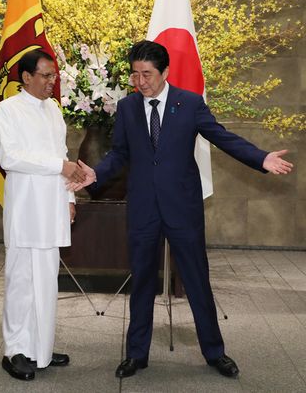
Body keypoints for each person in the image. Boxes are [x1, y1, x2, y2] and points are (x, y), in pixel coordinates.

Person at [68, 40, 293, 379]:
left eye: (147, 74)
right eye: (134, 75)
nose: (140, 82)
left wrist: (260, 158)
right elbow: (120, 153)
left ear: (165, 72)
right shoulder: (128, 107)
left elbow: (221, 136)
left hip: (182, 207)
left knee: (196, 280)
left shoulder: (188, 104)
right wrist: (97, 172)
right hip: (143, 207)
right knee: (141, 280)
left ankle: (215, 352)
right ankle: (136, 354)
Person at [0, 49, 86, 381]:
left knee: (46, 277)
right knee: (20, 280)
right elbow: (11, 157)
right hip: (25, 208)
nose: (51, 82)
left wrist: (69, 196)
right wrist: (60, 167)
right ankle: (15, 350)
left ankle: (40, 348)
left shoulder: (54, 111)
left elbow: (63, 155)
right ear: (27, 77)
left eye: (54, 76)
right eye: (45, 76)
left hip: (52, 207)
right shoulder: (8, 110)